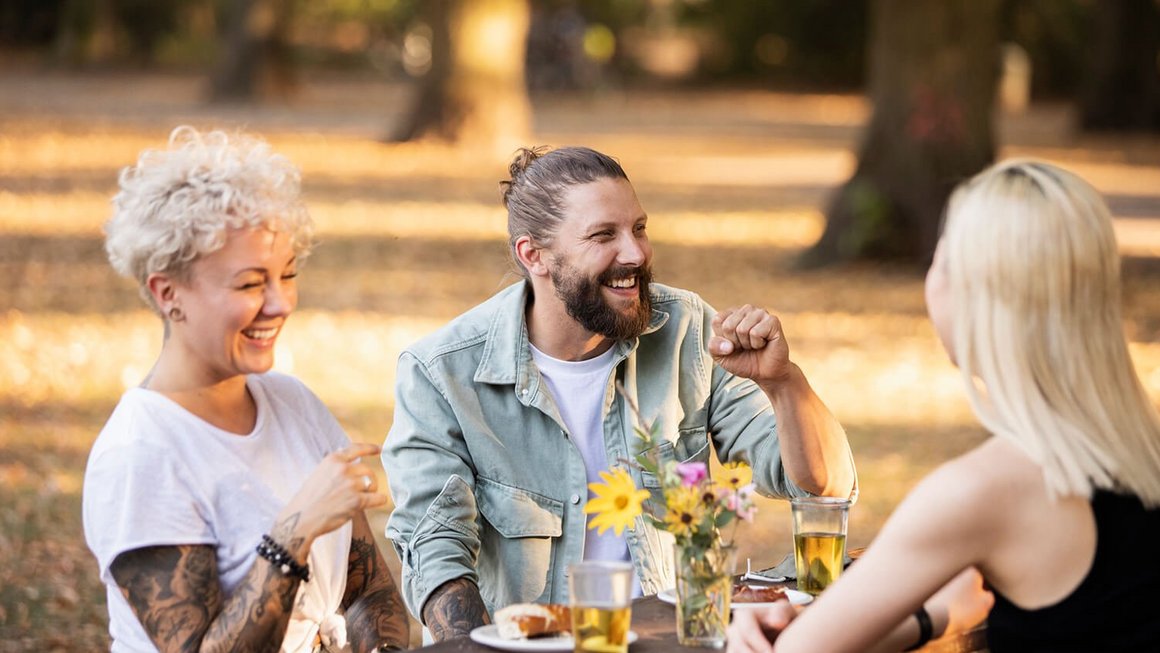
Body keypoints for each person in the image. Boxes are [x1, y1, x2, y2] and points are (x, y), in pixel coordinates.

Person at [381, 145, 857, 641]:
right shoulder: (441, 373)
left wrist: (783, 382)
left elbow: (823, 490)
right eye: (603, 235)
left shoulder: (688, 331)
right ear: (534, 255)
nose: (635, 253)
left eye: (639, 228)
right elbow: (435, 550)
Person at [727, 159, 1160, 653]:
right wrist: (919, 620)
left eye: (941, 256)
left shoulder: (981, 489)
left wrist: (788, 633)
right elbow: (982, 598)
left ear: (971, 292)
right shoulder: (1139, 451)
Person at [82, 127, 410, 653]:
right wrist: (292, 534)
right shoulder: (141, 455)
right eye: (251, 283)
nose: (281, 304)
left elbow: (367, 591)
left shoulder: (293, 404)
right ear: (169, 294)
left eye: (288, 274)